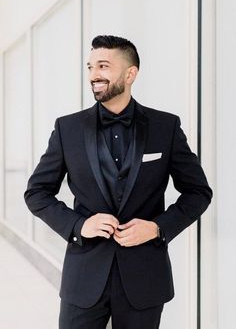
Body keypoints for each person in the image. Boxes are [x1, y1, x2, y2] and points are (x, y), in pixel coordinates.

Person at [24, 35, 212, 329]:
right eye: (90, 67)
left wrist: (157, 228)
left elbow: (198, 192)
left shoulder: (166, 127)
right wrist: (78, 226)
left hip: (144, 278)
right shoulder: (67, 128)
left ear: (130, 73)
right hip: (83, 277)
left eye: (103, 66)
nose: (94, 75)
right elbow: (37, 193)